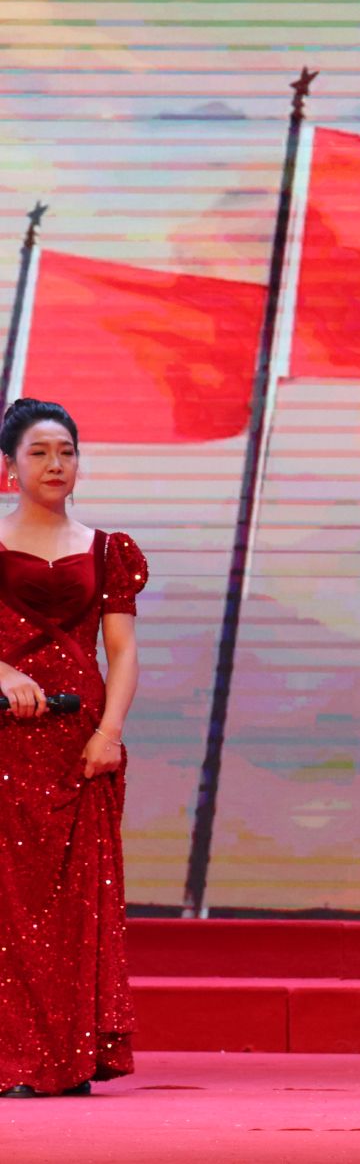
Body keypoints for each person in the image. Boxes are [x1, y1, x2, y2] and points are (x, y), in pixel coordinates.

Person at [0, 398, 148, 1098]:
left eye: (66, 451)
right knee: (9, 907)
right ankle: (15, 1056)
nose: (55, 464)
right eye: (39, 452)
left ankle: (67, 1054)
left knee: (75, 905)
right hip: (6, 742)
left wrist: (108, 733)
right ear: (9, 467)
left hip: (81, 745)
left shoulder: (108, 549)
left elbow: (122, 650)